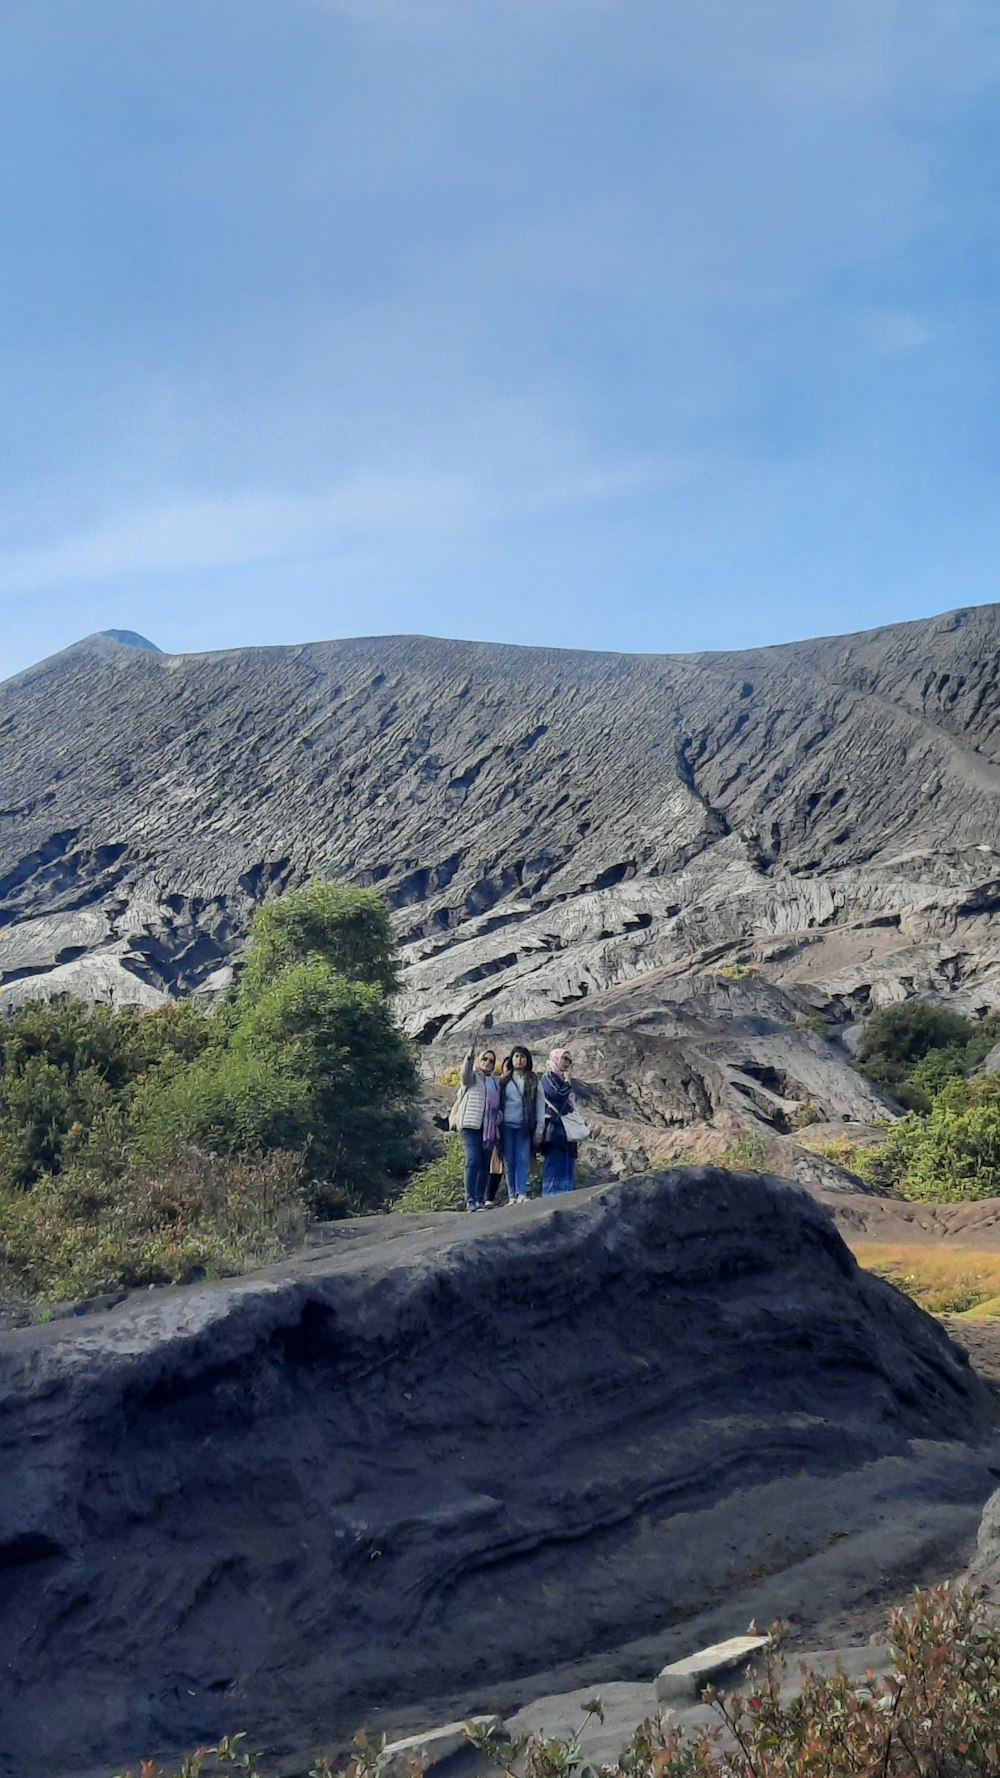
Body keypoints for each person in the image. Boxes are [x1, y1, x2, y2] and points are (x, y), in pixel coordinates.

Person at [455, 1042, 501, 1212]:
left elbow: (499, 1106)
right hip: (470, 1124)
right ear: (479, 1061)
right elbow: (464, 1073)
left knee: (484, 1163)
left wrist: (499, 1118)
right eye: (485, 1059)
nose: (488, 1063)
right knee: (473, 1160)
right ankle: (470, 1200)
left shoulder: (495, 1083)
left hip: (488, 1128)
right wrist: (469, 1057)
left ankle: (480, 1199)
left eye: (491, 1061)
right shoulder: (472, 1078)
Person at [499, 1045, 545, 1204]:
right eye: (516, 1056)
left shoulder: (533, 1079)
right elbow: (498, 1103)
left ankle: (522, 1193)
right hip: (506, 1126)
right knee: (509, 1161)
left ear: (528, 1060)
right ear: (512, 1059)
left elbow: (540, 1105)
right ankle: (512, 1195)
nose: (519, 1060)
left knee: (522, 1159)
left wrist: (540, 1129)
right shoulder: (504, 1079)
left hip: (524, 1126)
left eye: (523, 1057)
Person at [538, 1047, 579, 1195]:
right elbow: (557, 1094)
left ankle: (565, 1193)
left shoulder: (563, 1080)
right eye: (564, 1058)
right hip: (554, 1128)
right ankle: (551, 1195)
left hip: (565, 1128)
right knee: (555, 1160)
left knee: (567, 1159)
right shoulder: (547, 1077)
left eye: (569, 1060)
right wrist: (567, 1085)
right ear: (556, 1058)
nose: (567, 1063)